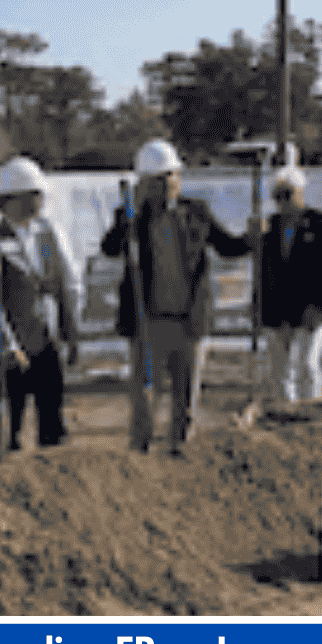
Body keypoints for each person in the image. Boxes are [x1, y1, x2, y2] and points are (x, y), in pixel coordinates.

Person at [101, 138, 259, 457]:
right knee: (145, 396)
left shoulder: (196, 211)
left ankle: (179, 449)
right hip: (148, 324)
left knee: (185, 397)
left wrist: (253, 237)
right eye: (158, 180)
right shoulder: (130, 216)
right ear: (145, 184)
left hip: (189, 322)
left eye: (172, 176)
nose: (168, 185)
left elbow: (228, 247)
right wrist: (129, 217)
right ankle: (139, 453)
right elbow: (110, 248)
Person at [0, 157, 81, 460]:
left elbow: (62, 285)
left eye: (40, 195)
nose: (40, 201)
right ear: (13, 200)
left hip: (48, 336)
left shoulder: (48, 235)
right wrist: (8, 344)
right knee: (10, 405)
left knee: (51, 403)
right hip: (17, 342)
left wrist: (71, 332)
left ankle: (51, 451)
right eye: (34, 195)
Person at [258, 164, 322, 404]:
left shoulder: (321, 223)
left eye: (287, 194)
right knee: (280, 371)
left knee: (307, 365)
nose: (282, 202)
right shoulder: (271, 225)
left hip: (310, 308)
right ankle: (285, 415)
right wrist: (260, 307)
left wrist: (320, 306)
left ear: (300, 193)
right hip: (277, 310)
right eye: (277, 196)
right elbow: (264, 270)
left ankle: (312, 412)